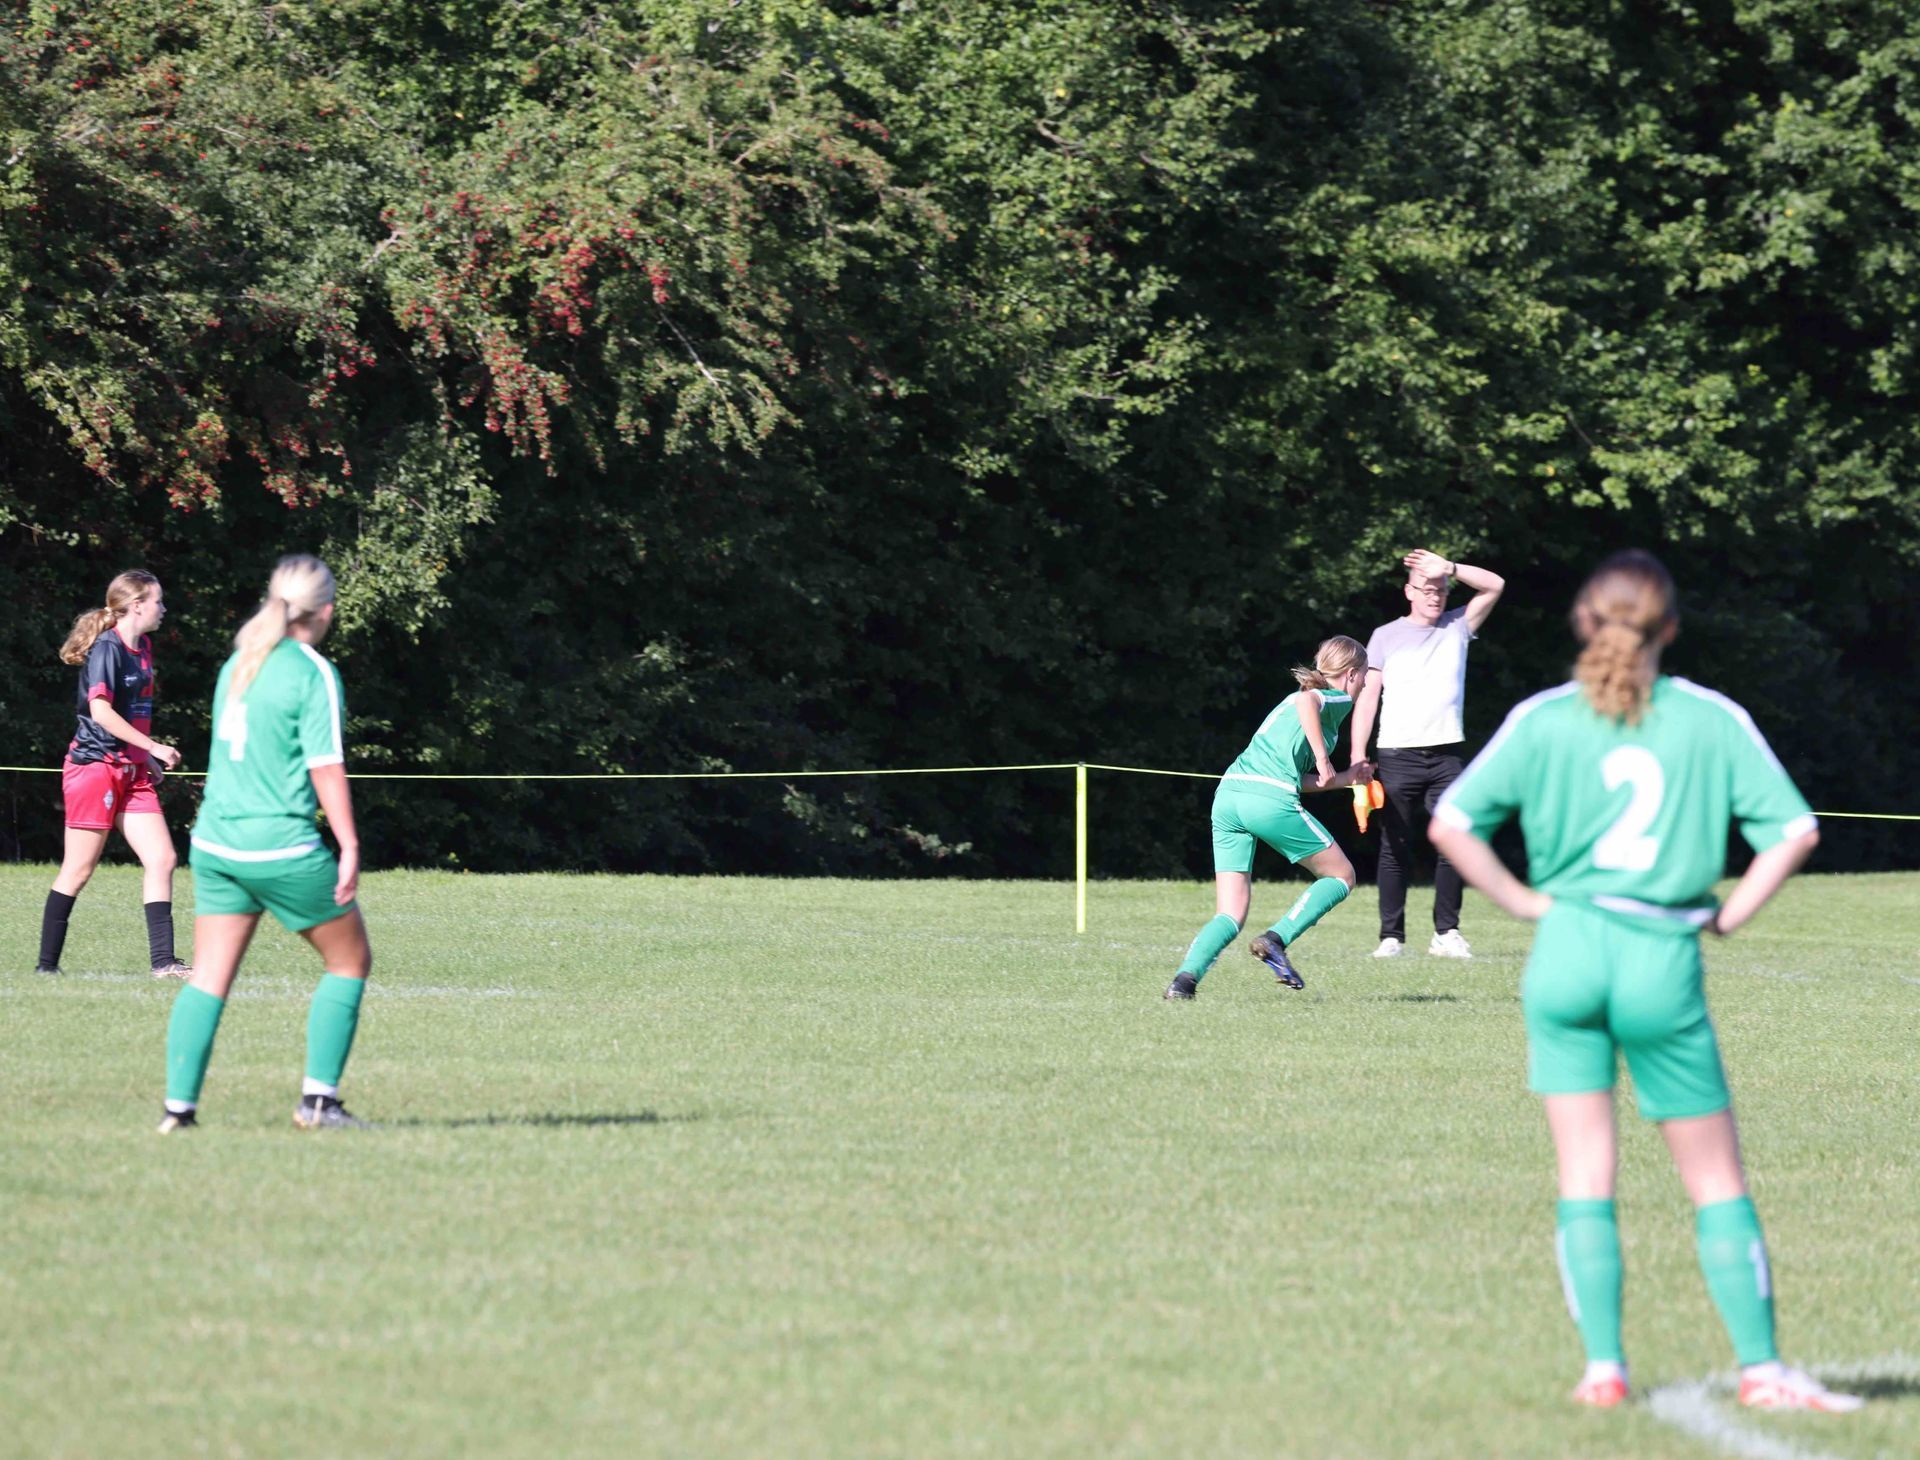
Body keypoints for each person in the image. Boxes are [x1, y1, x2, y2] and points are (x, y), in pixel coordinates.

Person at [1427, 550, 1861, 1413]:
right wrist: (1730, 917)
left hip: (1568, 954)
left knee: (1585, 1176)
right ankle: (1762, 1371)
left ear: (1583, 623)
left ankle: (1603, 1372)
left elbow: (1452, 822)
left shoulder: (1543, 717)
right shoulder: (1710, 717)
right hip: (1661, 956)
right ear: (1670, 628)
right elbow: (1796, 831)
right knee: (1716, 1183)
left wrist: (1524, 903)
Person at [157, 554, 374, 1133]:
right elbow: (325, 765)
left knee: (208, 977)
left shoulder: (241, 660)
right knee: (349, 961)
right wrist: (349, 844)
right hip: (279, 845)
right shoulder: (312, 671)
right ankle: (319, 1103)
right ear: (325, 610)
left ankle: (178, 1112)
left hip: (217, 844)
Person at [1165, 636, 1374, 1000]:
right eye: (1364, 678)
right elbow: (1307, 701)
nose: (1365, 686)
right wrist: (1324, 758)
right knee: (1342, 876)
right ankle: (1276, 939)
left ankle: (1183, 984)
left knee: (1230, 913)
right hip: (1267, 800)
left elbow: (1296, 777)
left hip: (1229, 796)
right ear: (1351, 674)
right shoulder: (1331, 697)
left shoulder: (1294, 706)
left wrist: (1345, 778)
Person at [1348, 548, 1504, 960]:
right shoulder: (1385, 636)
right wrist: (1358, 753)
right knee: (1394, 845)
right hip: (1396, 753)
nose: (1435, 596)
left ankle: (1446, 933)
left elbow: (1495, 585)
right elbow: (1368, 698)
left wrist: (1449, 568)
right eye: (1427, 589)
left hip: (1447, 753)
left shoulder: (1457, 626)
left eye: (1441, 589)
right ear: (1409, 592)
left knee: (1454, 841)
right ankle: (1391, 938)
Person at [36, 570, 192, 978]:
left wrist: (144, 757)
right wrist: (153, 747)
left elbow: (132, 712)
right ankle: (46, 967)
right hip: (95, 768)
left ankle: (164, 963)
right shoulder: (108, 647)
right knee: (79, 869)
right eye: (158, 601)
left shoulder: (144, 648)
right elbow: (101, 712)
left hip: (131, 770)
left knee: (162, 858)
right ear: (137, 605)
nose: (164, 608)